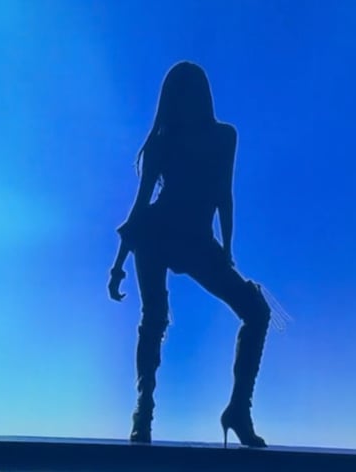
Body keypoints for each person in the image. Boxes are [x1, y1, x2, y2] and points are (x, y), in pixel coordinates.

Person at [108, 61, 270, 448]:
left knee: (256, 311)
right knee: (154, 317)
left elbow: (224, 195)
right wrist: (118, 265)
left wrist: (226, 250)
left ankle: (238, 410)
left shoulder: (224, 136)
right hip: (157, 234)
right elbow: (140, 207)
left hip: (195, 239)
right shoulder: (163, 143)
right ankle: (143, 412)